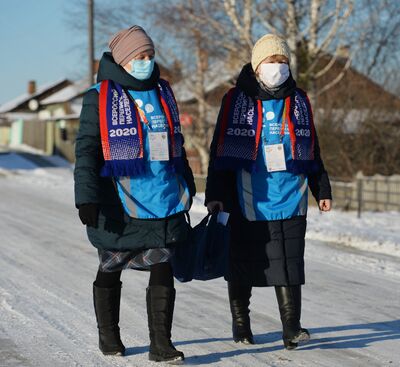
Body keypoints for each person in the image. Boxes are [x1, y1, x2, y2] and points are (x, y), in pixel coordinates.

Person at [74, 25, 195, 363]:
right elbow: (86, 150)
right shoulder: (99, 96)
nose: (146, 62)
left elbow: (176, 143)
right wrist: (86, 197)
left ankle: (161, 344)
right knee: (110, 266)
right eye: (139, 56)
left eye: (150, 55)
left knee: (163, 265)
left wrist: (186, 181)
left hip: (163, 196)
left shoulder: (163, 92)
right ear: (124, 60)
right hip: (119, 200)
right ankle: (109, 335)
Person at [205, 34, 332, 350]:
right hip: (245, 195)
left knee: (289, 262)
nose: (277, 68)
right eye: (271, 62)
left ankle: (291, 327)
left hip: (291, 193)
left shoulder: (299, 99)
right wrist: (214, 194)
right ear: (256, 65)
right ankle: (241, 323)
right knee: (243, 262)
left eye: (282, 62)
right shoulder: (235, 99)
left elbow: (312, 148)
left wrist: (322, 188)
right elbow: (219, 150)